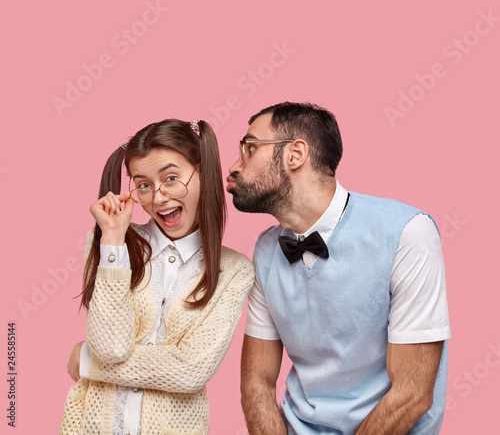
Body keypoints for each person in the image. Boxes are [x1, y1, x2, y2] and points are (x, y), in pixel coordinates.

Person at [227, 102, 450, 434]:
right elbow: (257, 382)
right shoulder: (266, 250)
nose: (233, 166)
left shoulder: (407, 232)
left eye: (250, 148)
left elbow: (412, 394)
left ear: (295, 154)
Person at [59, 119, 254, 435]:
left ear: (203, 172)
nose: (158, 197)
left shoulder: (234, 271)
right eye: (144, 184)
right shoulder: (112, 243)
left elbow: (190, 369)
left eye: (172, 178)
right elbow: (110, 348)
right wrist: (112, 241)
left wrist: (87, 361)